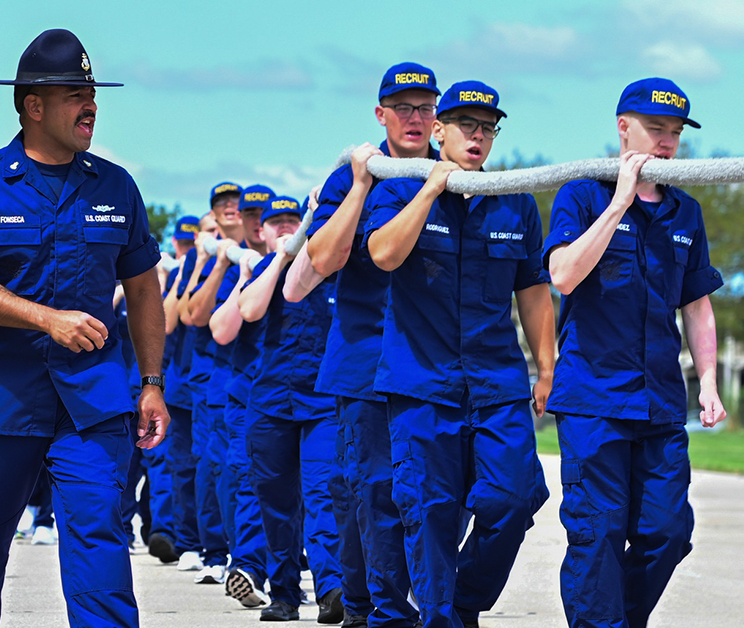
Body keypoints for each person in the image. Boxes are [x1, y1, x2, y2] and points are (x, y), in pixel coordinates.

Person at [0, 29, 167, 628]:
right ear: (33, 104)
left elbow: (143, 288)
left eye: (92, 92)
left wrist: (151, 382)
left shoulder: (117, 186)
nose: (90, 104)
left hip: (92, 403)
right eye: (75, 93)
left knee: (101, 549)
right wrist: (45, 319)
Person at [363, 80, 555, 628]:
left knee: (513, 501)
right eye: (466, 124)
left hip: (497, 384)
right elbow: (383, 253)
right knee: (429, 512)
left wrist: (548, 367)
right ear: (439, 130)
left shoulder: (513, 198)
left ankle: (462, 601)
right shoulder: (399, 185)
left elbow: (534, 289)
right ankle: (443, 617)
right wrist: (430, 190)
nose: (477, 134)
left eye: (488, 126)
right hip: (421, 382)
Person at [544, 77, 725, 628]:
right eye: (655, 130)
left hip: (661, 403)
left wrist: (710, 384)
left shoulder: (685, 213)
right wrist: (620, 201)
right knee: (597, 534)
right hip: (594, 400)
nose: (666, 143)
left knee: (668, 533)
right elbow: (563, 275)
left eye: (674, 133)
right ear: (623, 128)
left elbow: (696, 306)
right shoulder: (582, 193)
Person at [285, 62, 442, 628]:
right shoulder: (352, 178)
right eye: (403, 108)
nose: (415, 118)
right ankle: (369, 607)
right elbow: (321, 261)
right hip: (366, 361)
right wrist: (357, 184)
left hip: (432, 366)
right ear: (381, 115)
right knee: (372, 490)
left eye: (426, 108)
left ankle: (410, 601)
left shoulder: (453, 175)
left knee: (432, 494)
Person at [237, 196, 348, 623]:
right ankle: (283, 592)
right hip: (271, 403)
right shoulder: (269, 268)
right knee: (276, 500)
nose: (287, 228)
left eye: (294, 221)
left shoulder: (333, 271)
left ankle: (331, 588)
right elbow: (249, 310)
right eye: (277, 223)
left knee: (323, 494)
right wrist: (283, 257)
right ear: (265, 231)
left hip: (323, 403)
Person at [209, 183, 274, 608]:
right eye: (247, 214)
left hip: (296, 393)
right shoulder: (237, 266)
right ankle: (248, 566)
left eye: (261, 215)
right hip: (247, 390)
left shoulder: (299, 257)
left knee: (308, 488)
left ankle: (289, 569)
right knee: (245, 480)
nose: (253, 221)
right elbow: (220, 326)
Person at [176, 182, 244, 585]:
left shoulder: (267, 247)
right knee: (215, 467)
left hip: (259, 373)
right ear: (214, 215)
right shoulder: (201, 260)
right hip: (215, 376)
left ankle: (260, 555)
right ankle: (215, 550)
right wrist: (206, 261)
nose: (232, 209)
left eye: (237, 204)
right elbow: (187, 315)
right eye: (223, 205)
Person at [154, 214, 216, 570]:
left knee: (216, 467)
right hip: (182, 384)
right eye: (203, 234)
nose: (207, 239)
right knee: (183, 466)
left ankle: (215, 545)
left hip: (215, 383)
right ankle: (188, 541)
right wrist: (190, 271)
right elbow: (167, 322)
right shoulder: (187, 269)